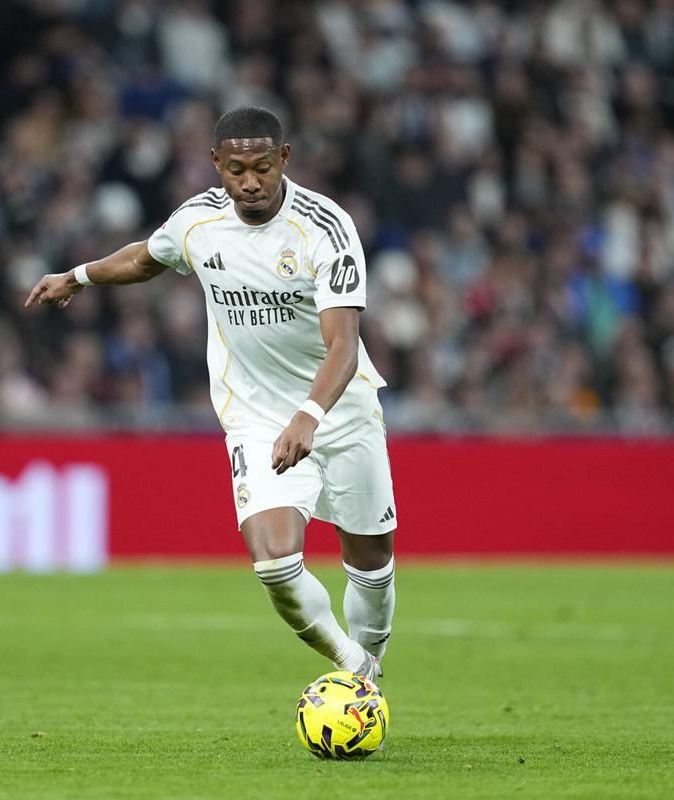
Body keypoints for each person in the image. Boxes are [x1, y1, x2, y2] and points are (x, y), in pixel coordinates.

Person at [24, 106, 396, 680]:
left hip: (339, 412)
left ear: (284, 159)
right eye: (237, 169)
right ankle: (358, 674)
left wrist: (309, 415)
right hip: (256, 416)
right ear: (217, 163)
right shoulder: (198, 221)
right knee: (275, 565)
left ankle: (371, 665)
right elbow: (144, 259)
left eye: (263, 167)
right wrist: (77, 276)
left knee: (371, 567)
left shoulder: (325, 227)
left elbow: (343, 344)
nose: (251, 182)